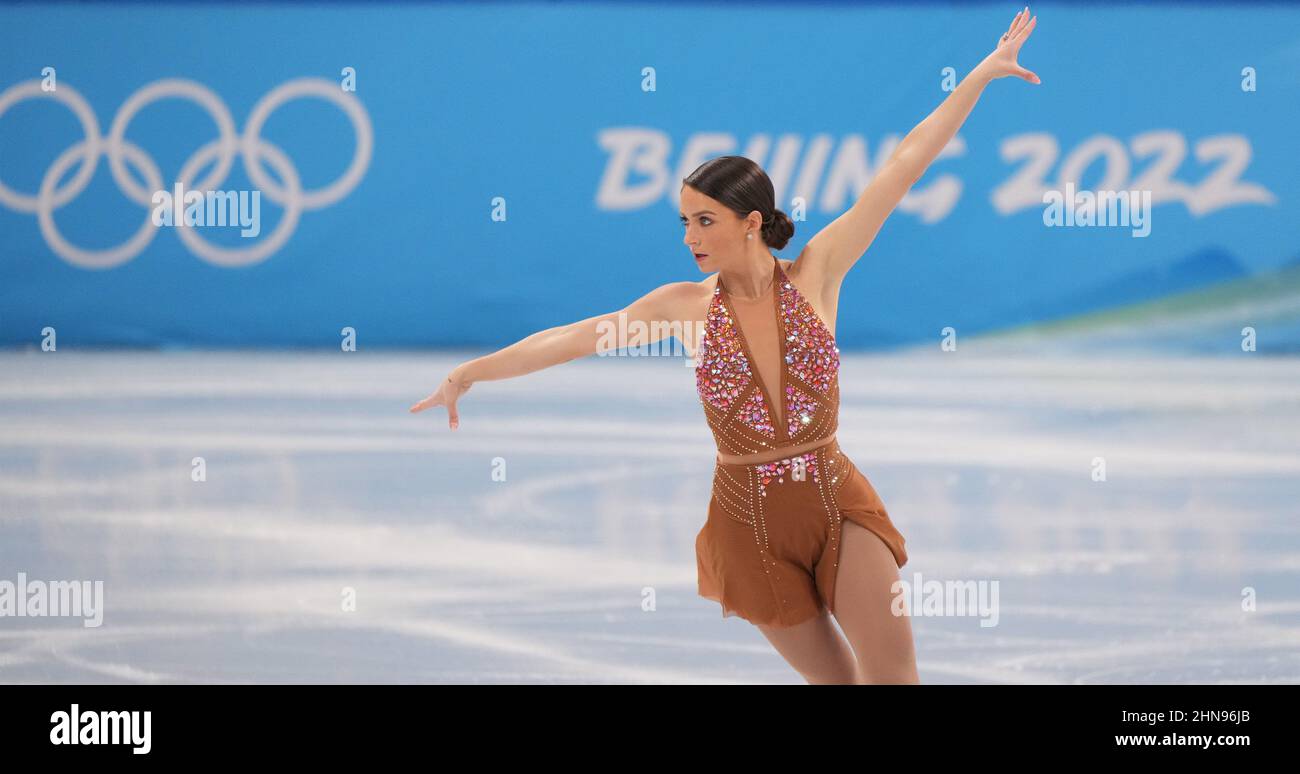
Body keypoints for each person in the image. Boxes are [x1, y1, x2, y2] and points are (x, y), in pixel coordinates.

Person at [411, 8, 1039, 684]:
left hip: (835, 500)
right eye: (685, 222)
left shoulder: (819, 273)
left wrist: (979, 74)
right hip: (748, 522)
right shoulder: (683, 308)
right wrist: (471, 372)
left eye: (705, 220)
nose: (691, 237)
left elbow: (905, 163)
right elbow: (572, 340)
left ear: (750, 222)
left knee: (893, 676)